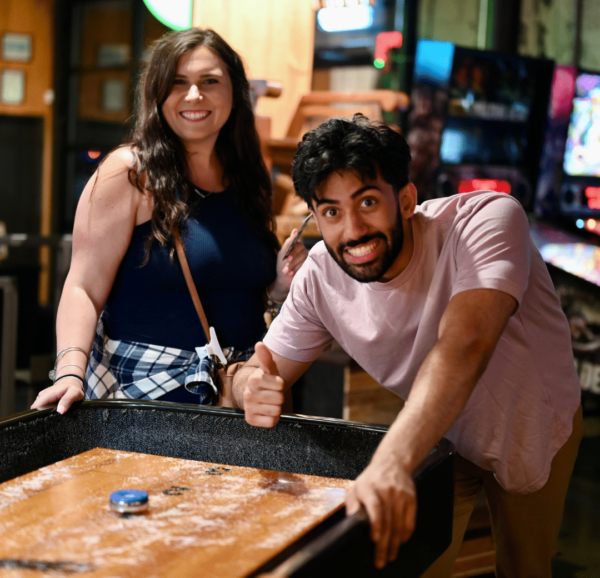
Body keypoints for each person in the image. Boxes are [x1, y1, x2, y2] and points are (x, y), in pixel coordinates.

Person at [230, 115, 583, 576]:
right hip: (439, 430)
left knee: (524, 569)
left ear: (407, 198)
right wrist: (248, 388)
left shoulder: (487, 220)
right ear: (315, 218)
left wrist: (390, 463)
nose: (353, 230)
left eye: (368, 202)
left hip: (531, 420)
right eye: (332, 212)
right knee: (414, 565)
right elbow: (263, 369)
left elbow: (464, 346)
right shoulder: (320, 275)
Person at [32, 28, 306, 415]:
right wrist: (70, 374)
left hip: (242, 398)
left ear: (234, 91)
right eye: (178, 83)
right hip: (147, 404)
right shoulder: (130, 172)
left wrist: (278, 286)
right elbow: (83, 287)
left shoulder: (249, 176)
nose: (194, 95)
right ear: (157, 94)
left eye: (210, 81)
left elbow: (239, 291)